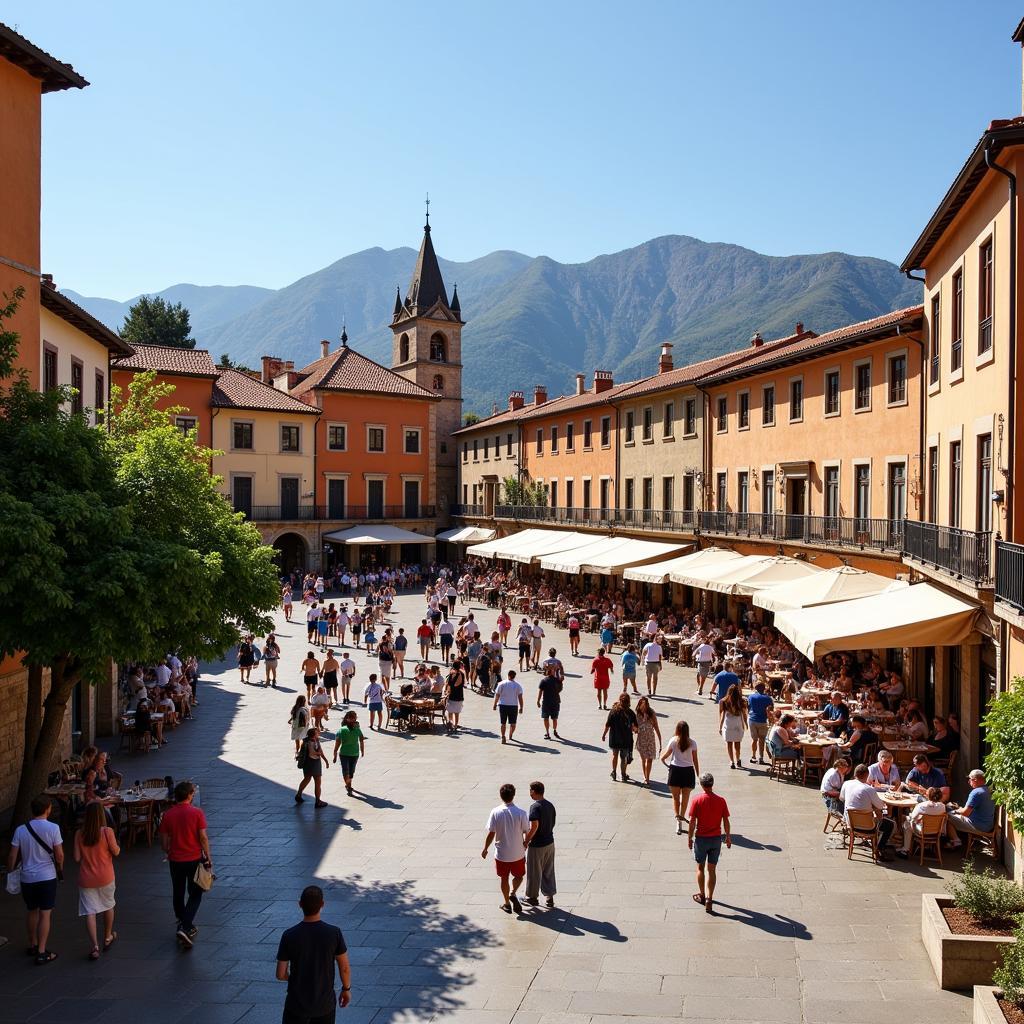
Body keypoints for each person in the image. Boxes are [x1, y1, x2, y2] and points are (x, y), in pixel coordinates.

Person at [276, 885, 352, 1022]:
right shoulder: (334, 933)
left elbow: (280, 974)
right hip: (324, 1005)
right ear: (322, 904)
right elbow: (344, 968)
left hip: (296, 1005)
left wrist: (293, 979)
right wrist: (346, 989)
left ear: (300, 904)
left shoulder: (289, 935)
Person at [7, 795, 64, 964]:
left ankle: (32, 943)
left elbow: (12, 856)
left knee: (32, 910)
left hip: (27, 878)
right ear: (47, 809)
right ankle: (42, 951)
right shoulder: (53, 828)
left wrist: (11, 872)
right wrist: (60, 867)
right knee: (45, 914)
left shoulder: (20, 830)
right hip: (46, 877)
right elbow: (59, 855)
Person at [158, 781, 212, 947]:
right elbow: (202, 837)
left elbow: (164, 841)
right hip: (193, 858)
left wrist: (168, 851)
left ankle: (183, 923)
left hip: (175, 859)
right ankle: (185, 925)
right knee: (196, 892)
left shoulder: (168, 815)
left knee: (178, 891)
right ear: (189, 795)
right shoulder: (197, 813)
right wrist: (208, 856)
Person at [73, 801, 120, 959]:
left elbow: (77, 858)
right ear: (102, 814)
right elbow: (116, 852)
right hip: (106, 876)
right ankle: (107, 936)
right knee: (108, 906)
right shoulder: (107, 832)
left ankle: (94, 946)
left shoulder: (79, 834)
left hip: (86, 878)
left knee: (90, 912)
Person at [481, 783, 531, 914]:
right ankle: (513, 893)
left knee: (504, 878)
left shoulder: (495, 812)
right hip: (518, 853)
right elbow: (527, 830)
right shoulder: (521, 813)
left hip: (502, 853)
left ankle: (507, 903)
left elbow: (491, 833)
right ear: (513, 795)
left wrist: (485, 848)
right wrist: (525, 842)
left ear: (500, 796)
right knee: (519, 876)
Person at [687, 772, 731, 914]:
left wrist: (689, 837)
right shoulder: (721, 800)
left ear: (701, 784)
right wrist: (728, 837)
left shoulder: (697, 800)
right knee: (712, 870)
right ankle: (710, 899)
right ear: (712, 784)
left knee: (700, 868)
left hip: (701, 839)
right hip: (716, 839)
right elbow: (726, 820)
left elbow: (692, 822)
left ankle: (702, 894)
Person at [839, 764, 896, 860]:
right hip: (867, 825)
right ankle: (879, 849)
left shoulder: (846, 784)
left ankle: (874, 844)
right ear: (867, 776)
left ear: (855, 774)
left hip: (850, 822)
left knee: (876, 816)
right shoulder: (869, 789)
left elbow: (842, 798)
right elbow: (881, 806)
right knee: (890, 825)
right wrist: (873, 807)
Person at [660, 721, 700, 835]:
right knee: (685, 799)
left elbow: (665, 756)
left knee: (676, 799)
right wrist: (697, 773)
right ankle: (682, 817)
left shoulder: (673, 741)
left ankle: (678, 822)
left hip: (675, 771)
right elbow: (695, 760)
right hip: (688, 771)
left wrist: (666, 763)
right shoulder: (693, 743)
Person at [524, 781, 557, 908]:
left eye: (530, 790)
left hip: (537, 844)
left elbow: (534, 826)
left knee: (534, 871)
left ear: (533, 791)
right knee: (548, 870)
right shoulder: (550, 805)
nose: (530, 793)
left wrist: (526, 840)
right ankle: (549, 897)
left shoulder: (535, 807)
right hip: (550, 842)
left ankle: (532, 897)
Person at [945, 769, 996, 849]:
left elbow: (965, 813)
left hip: (978, 825)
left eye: (970, 779)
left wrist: (956, 811)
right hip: (988, 824)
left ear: (975, 780)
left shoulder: (976, 793)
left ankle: (956, 841)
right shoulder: (989, 790)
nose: (969, 782)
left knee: (947, 816)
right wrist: (960, 808)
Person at [896, 786, 948, 859]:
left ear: (928, 795)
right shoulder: (942, 806)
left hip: (923, 831)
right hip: (936, 832)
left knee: (907, 823)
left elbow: (913, 819)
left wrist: (907, 816)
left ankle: (905, 849)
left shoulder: (921, 806)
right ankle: (925, 846)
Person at [603, 693, 638, 782]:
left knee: (615, 755)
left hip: (614, 737)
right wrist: (635, 730)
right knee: (623, 757)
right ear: (628, 701)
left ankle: (614, 772)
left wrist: (604, 734)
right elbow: (635, 727)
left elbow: (607, 725)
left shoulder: (613, 711)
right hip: (626, 739)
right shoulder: (630, 713)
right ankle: (623, 774)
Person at [332, 710, 366, 797]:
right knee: (345, 771)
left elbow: (361, 739)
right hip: (344, 754)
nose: (353, 719)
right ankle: (349, 786)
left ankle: (348, 783)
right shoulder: (342, 730)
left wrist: (362, 750)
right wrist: (335, 753)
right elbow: (338, 742)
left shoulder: (357, 729)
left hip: (354, 754)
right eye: (352, 718)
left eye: (354, 718)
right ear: (347, 719)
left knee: (351, 772)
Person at [295, 728, 330, 808]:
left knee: (307, 778)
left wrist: (325, 760)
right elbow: (313, 753)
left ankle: (299, 794)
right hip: (313, 762)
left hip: (309, 763)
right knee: (317, 781)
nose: (319, 733)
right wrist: (320, 755)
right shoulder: (311, 742)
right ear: (314, 735)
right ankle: (318, 801)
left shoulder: (314, 740)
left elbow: (320, 751)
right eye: (317, 732)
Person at [634, 696, 662, 785]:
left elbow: (656, 726)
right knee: (643, 759)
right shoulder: (637, 714)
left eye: (645, 705)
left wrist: (660, 740)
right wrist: (635, 729)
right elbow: (634, 727)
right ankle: (645, 776)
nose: (643, 707)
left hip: (650, 738)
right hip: (641, 738)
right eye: (641, 705)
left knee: (649, 759)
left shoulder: (651, 713)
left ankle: (647, 778)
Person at [718, 683, 747, 770]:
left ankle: (732, 761)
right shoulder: (742, 701)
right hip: (738, 725)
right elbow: (744, 714)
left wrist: (720, 727)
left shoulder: (723, 701)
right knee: (737, 744)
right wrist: (745, 724)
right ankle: (738, 759)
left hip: (728, 725)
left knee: (729, 744)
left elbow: (722, 715)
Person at [493, 670, 525, 744]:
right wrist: (521, 707)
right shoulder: (518, 685)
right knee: (513, 723)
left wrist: (494, 704)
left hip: (503, 705)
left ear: (508, 675)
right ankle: (510, 734)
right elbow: (520, 697)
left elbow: (497, 695)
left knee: (503, 723)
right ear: (514, 676)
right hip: (513, 706)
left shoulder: (501, 684)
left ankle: (503, 736)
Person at [746, 681, 774, 765]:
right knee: (761, 740)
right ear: (764, 689)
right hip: (762, 721)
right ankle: (761, 757)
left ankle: (753, 756)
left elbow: (748, 707)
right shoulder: (768, 698)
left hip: (753, 720)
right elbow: (771, 710)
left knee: (754, 740)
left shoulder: (751, 697)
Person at [537, 664, 563, 740]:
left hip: (546, 702)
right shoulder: (557, 680)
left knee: (546, 718)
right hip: (555, 701)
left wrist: (538, 701)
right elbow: (560, 689)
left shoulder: (543, 681)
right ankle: (555, 730)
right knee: (554, 718)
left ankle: (547, 733)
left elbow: (540, 692)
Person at [443, 661, 467, 733]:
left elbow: (454, 684)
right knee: (453, 712)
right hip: (456, 694)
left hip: (455, 695)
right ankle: (453, 725)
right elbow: (451, 684)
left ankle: (454, 725)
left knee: (453, 712)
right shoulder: (458, 674)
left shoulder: (458, 674)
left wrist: (447, 691)